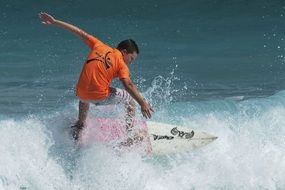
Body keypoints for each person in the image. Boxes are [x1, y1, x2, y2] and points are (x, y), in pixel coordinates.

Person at [38, 12, 154, 143]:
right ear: (124, 52)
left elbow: (79, 32)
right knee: (130, 101)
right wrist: (143, 103)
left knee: (87, 89)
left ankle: (79, 126)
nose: (130, 62)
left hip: (80, 93)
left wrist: (55, 22)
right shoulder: (122, 64)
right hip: (98, 96)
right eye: (131, 58)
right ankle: (129, 135)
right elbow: (129, 85)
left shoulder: (99, 45)